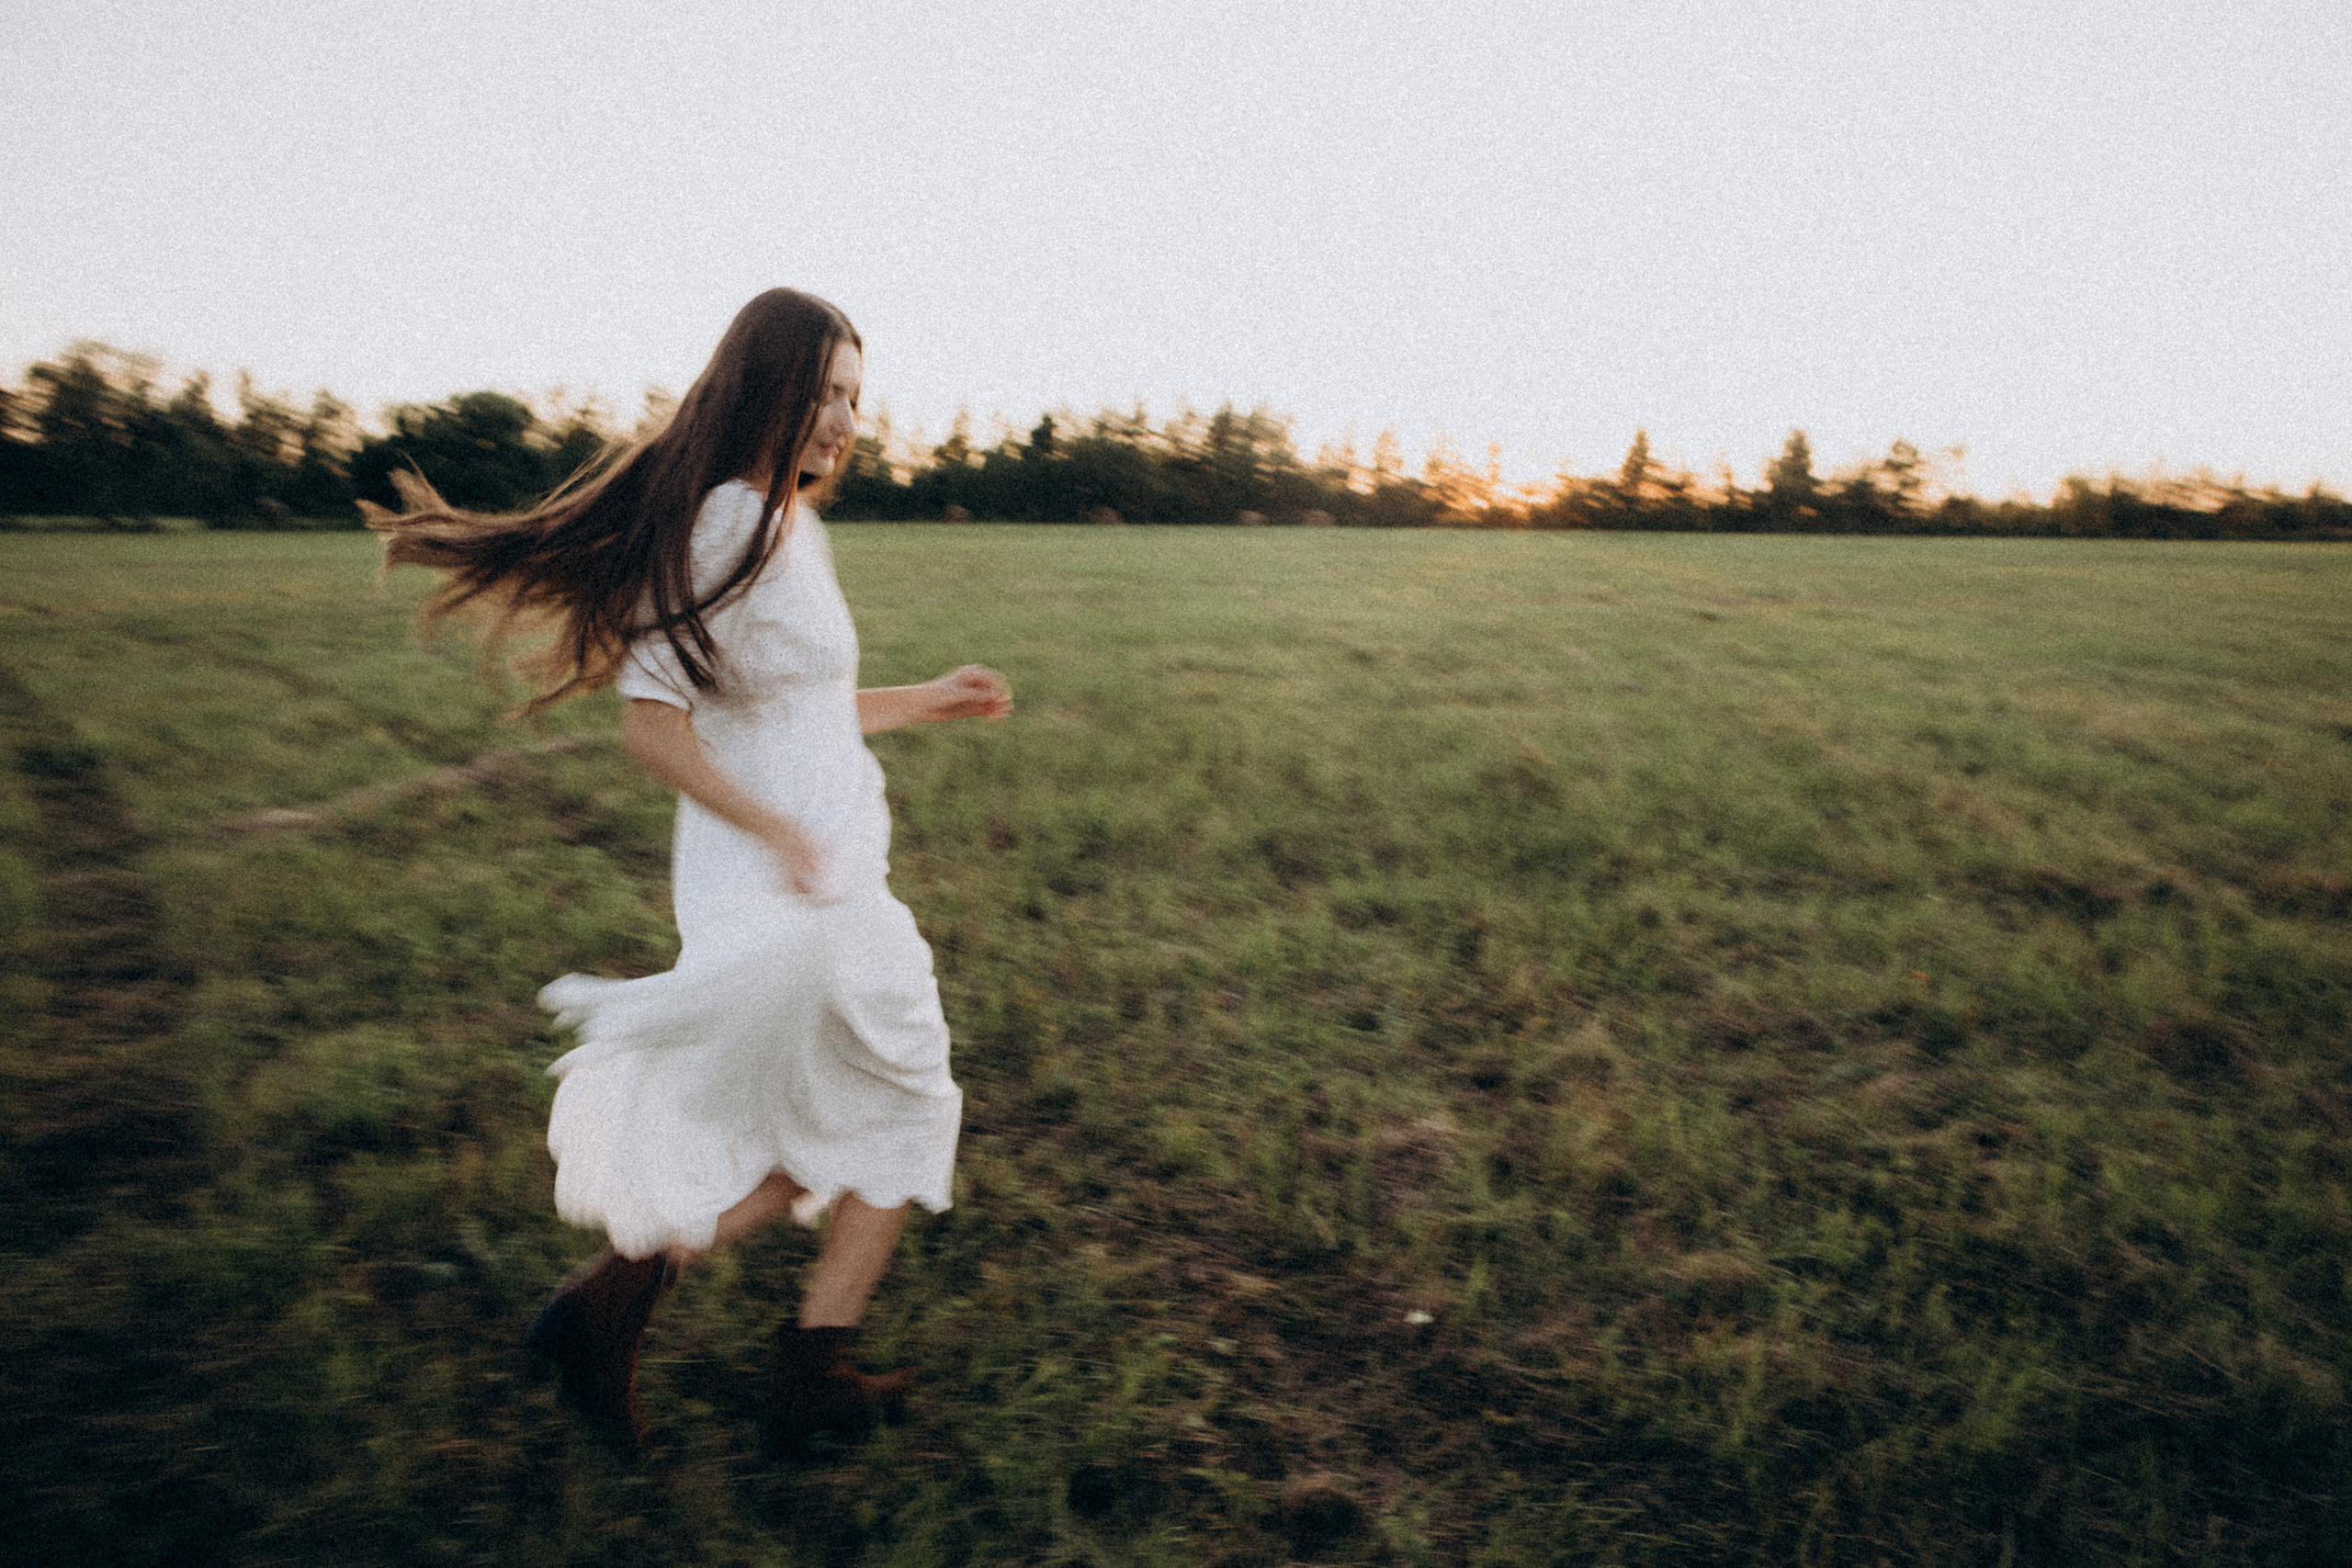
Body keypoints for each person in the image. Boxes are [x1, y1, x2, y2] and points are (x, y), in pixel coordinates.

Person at [368, 288, 1012, 1452]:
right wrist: (777, 832)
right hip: (789, 892)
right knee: (902, 1103)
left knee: (836, 1118)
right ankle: (790, 1361)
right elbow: (652, 723)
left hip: (826, 878)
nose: (842, 421)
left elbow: (798, 707)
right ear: (760, 390)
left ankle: (623, 1310)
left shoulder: (785, 524)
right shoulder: (727, 521)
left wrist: (928, 699)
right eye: (822, 394)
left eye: (856, 399)